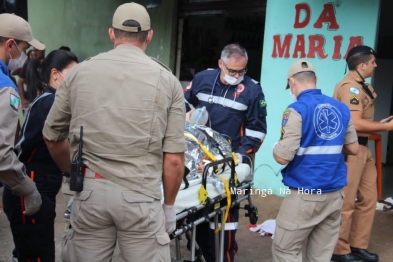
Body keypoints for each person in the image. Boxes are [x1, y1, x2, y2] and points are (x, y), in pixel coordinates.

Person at [42, 3, 186, 261]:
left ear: (112, 34)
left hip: (90, 193)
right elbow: (174, 159)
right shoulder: (168, 81)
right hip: (141, 197)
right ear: (149, 36)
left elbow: (52, 137)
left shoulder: (79, 73)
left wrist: (72, 172)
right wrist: (169, 207)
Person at [184, 43, 267, 262]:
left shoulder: (252, 90)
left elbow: (256, 131)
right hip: (197, 160)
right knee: (196, 218)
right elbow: (181, 104)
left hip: (227, 163)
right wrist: (187, 115)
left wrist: (237, 157)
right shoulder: (203, 79)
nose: (237, 76)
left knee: (224, 225)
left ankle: (223, 257)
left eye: (242, 71)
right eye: (232, 71)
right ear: (221, 64)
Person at [272, 59, 359, 262]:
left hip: (306, 194)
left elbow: (282, 157)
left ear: (292, 82)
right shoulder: (341, 108)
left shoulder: (296, 109)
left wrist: (275, 146)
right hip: (335, 194)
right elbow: (354, 148)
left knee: (285, 249)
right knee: (320, 255)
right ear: (316, 79)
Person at [3, 49, 78, 262]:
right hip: (32, 182)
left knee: (31, 249)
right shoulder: (51, 102)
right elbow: (56, 143)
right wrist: (71, 171)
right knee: (37, 254)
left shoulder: (47, 99)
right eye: (73, 74)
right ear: (55, 74)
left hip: (38, 181)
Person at [332, 46, 393, 262]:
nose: (376, 65)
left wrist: (379, 124)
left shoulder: (361, 86)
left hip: (363, 148)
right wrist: (387, 128)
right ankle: (339, 251)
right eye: (373, 62)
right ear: (362, 65)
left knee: (368, 198)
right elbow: (355, 124)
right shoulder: (350, 88)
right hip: (351, 148)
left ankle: (357, 245)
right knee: (347, 201)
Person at [0, 13, 43, 216]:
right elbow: (2, 153)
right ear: (10, 45)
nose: (23, 57)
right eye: (23, 49)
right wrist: (28, 188)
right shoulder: (5, 88)